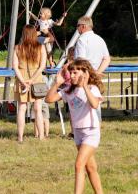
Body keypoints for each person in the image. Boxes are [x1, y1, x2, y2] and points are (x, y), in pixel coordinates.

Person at [46, 59, 104, 194]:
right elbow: (48, 99)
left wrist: (85, 86)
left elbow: (95, 104)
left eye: (75, 73)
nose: (71, 75)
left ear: (85, 73)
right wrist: (57, 83)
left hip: (91, 131)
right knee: (91, 168)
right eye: (70, 72)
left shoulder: (92, 89)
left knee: (79, 165)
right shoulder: (68, 91)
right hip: (78, 133)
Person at [12, 24, 47, 142]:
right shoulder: (41, 47)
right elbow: (42, 66)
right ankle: (41, 136)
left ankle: (20, 137)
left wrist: (23, 82)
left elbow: (15, 67)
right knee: (38, 109)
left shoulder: (17, 48)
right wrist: (31, 80)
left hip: (21, 79)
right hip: (36, 79)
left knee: (22, 109)